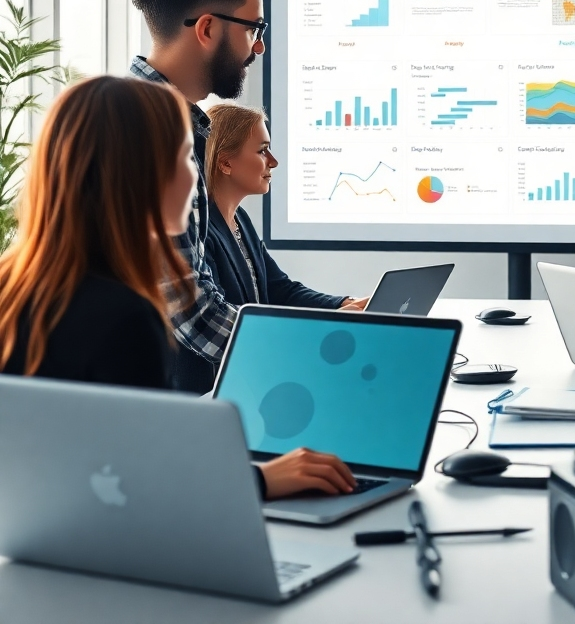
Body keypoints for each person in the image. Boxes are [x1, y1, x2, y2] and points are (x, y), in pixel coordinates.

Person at [0, 75, 357, 501]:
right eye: (189, 159)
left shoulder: (14, 284)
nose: (198, 183)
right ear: (142, 174)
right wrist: (262, 479)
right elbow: (150, 488)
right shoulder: (125, 317)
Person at [128, 0, 364, 391]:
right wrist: (312, 355)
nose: (259, 47)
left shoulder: (145, 114)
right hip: (147, 414)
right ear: (207, 29)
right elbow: (191, 312)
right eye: (254, 29)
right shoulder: (154, 131)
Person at [189, 103, 362, 393]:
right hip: (214, 390)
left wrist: (342, 304)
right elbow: (219, 314)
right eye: (262, 150)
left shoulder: (239, 219)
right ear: (226, 163)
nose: (273, 161)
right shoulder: (201, 230)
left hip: (252, 378)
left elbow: (280, 288)